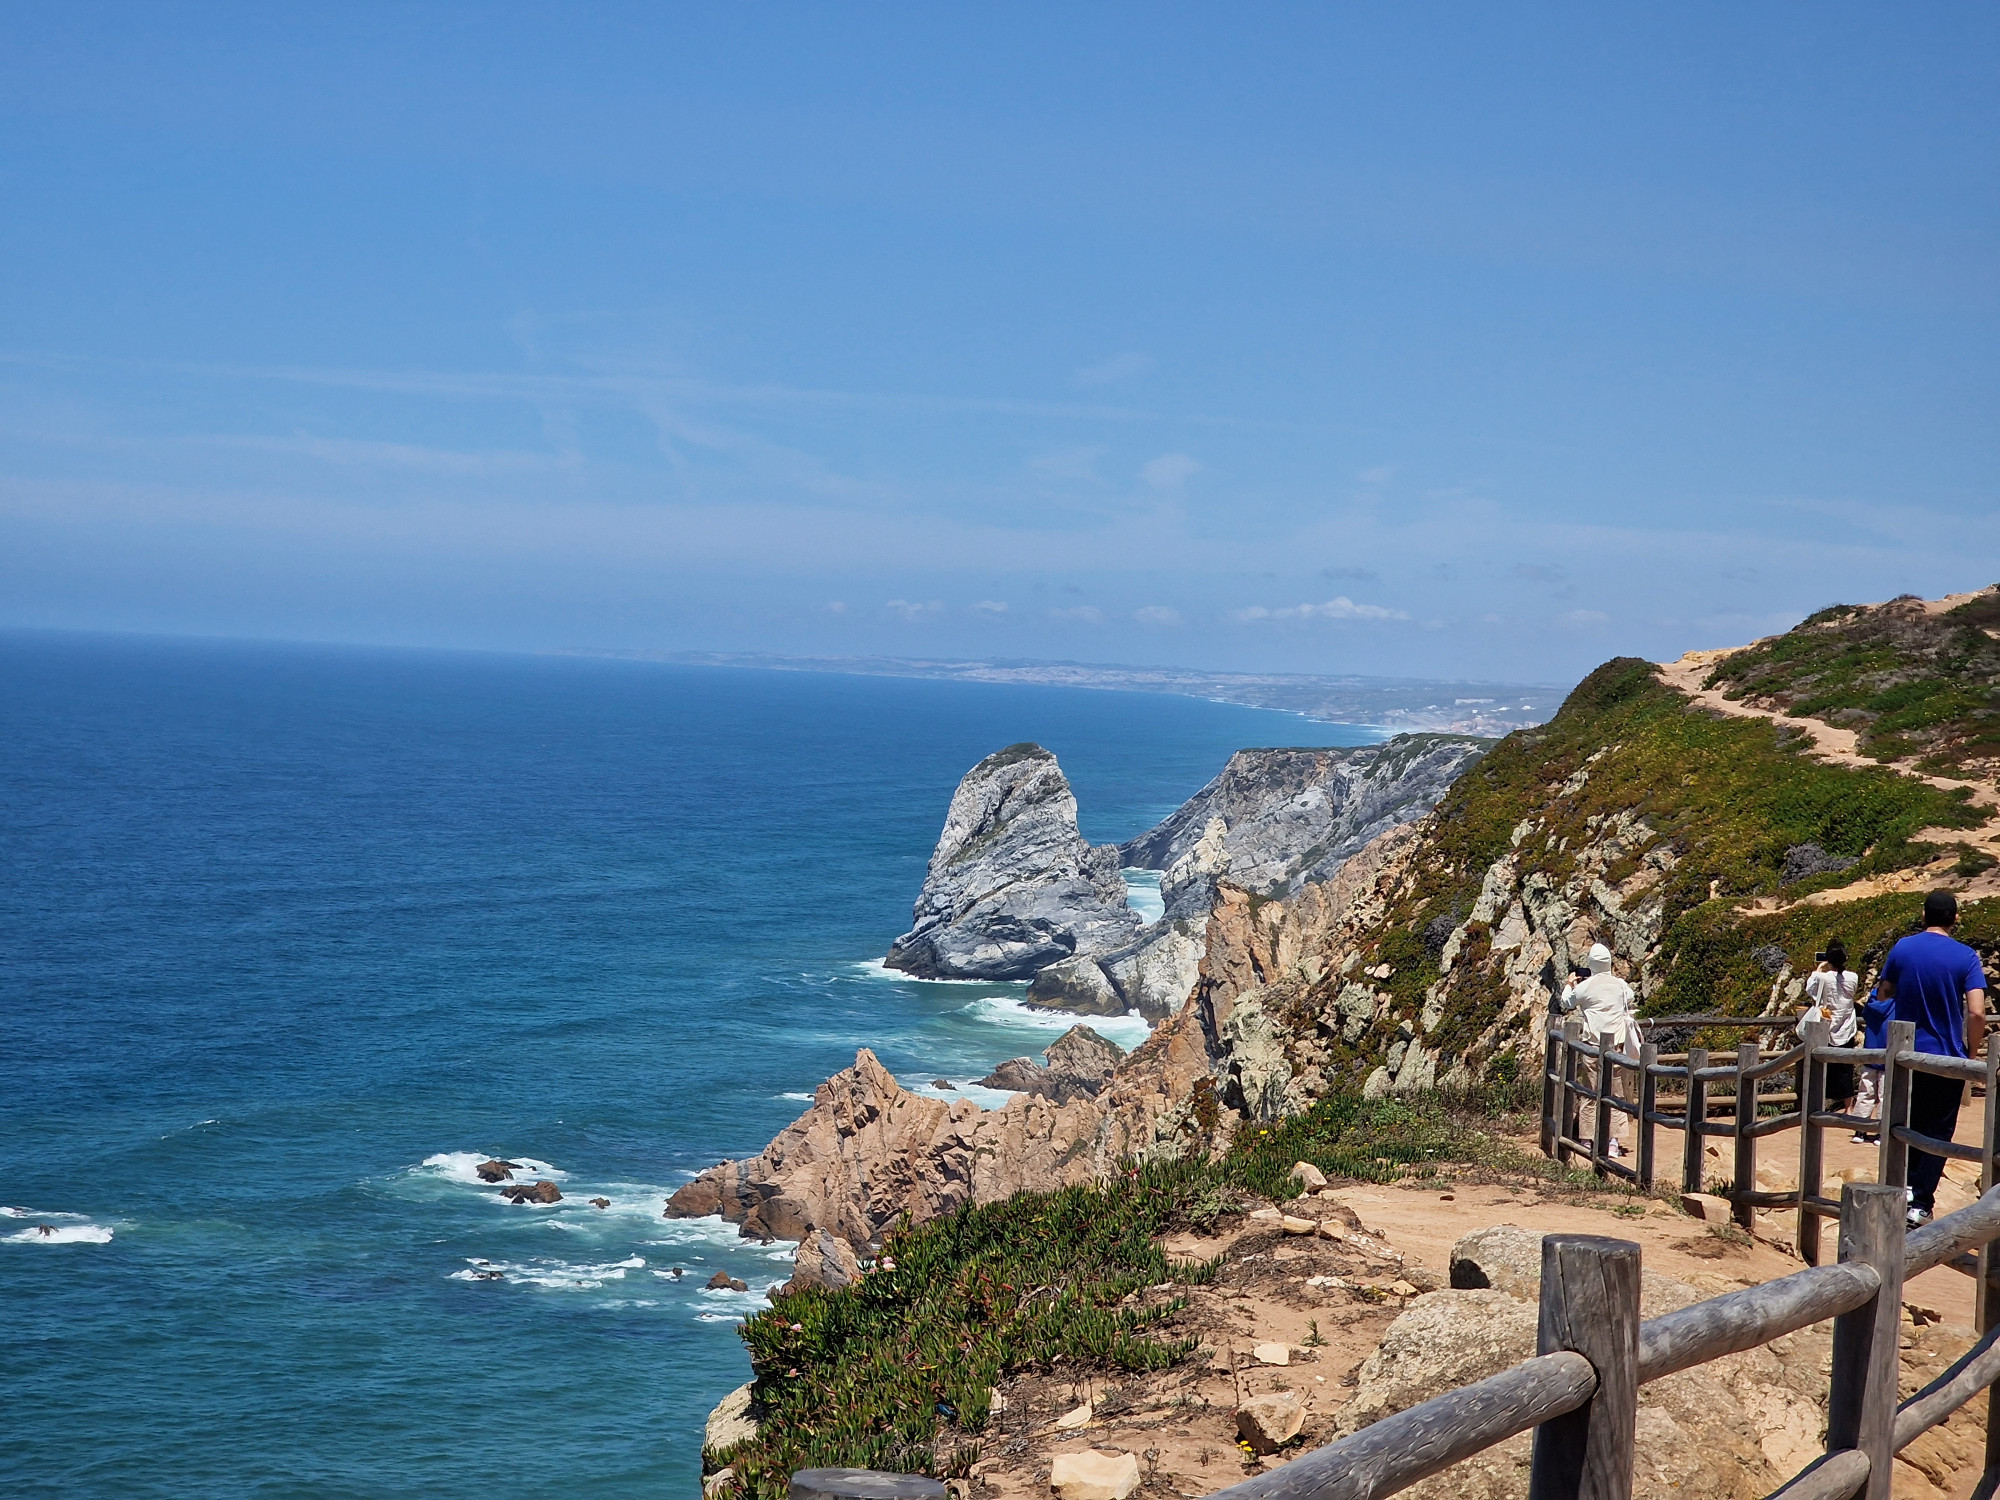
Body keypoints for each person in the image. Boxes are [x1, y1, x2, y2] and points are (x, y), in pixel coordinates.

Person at [1879, 890, 1989, 1227]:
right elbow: (1976, 1013)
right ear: (1955, 918)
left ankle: (1900, 1193)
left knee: (1902, 1124)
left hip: (1904, 1054)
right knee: (1937, 1131)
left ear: (1924, 915)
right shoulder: (1966, 956)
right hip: (1944, 1058)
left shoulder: (1902, 948)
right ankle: (1921, 1203)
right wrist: (1970, 1054)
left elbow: (1884, 993)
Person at [1559, 943, 1640, 1157]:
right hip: (1617, 1046)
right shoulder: (1620, 984)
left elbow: (1567, 1002)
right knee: (1616, 1093)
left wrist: (1570, 983)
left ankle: (1586, 1139)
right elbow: (1629, 996)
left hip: (1592, 1046)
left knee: (1589, 1092)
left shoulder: (1585, 987)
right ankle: (1613, 1141)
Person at [1798, 940, 1859, 1112]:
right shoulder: (1853, 977)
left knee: (1821, 1067)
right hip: (1847, 1027)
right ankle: (1848, 1107)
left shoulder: (1821, 977)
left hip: (1825, 1028)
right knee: (1846, 1068)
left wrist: (1818, 970)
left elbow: (1810, 990)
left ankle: (1817, 1106)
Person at [1851, 985, 1891, 1143]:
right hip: (1888, 1052)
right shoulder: (1897, 1002)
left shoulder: (1872, 1002)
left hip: (1870, 1052)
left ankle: (1859, 1130)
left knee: (1865, 1093)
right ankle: (1881, 1131)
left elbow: (1866, 1015)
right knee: (1885, 1096)